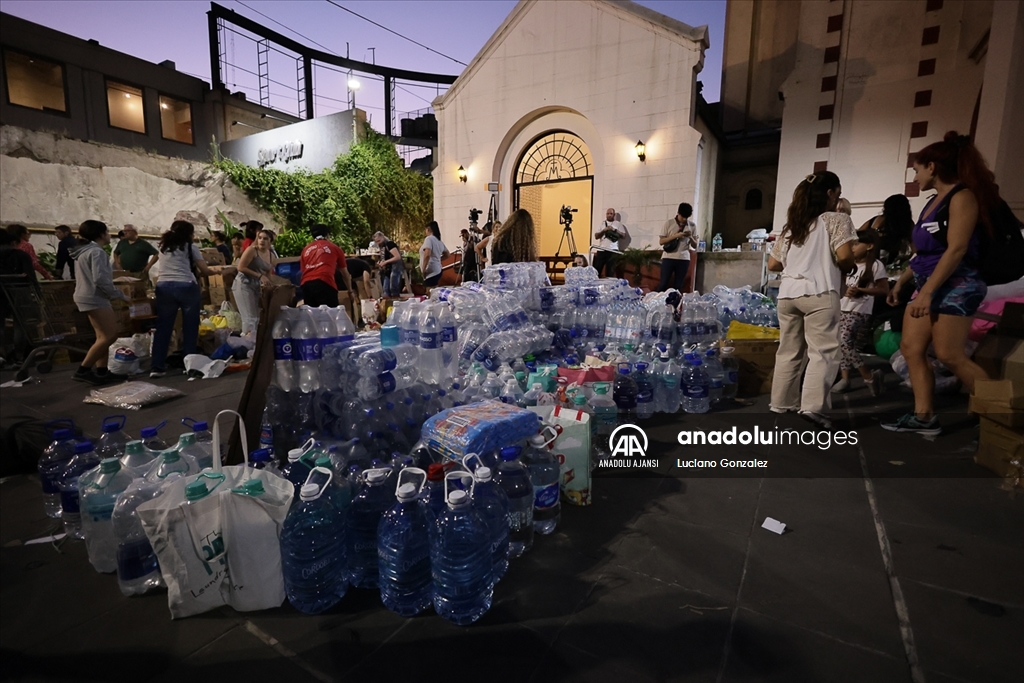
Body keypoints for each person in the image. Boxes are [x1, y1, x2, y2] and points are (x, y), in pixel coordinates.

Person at [882, 132, 997, 436]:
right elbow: (923, 252)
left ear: (932, 167)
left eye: (918, 169)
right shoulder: (933, 202)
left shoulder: (963, 196)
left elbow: (956, 249)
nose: (916, 175)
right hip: (927, 285)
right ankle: (924, 417)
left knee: (949, 354)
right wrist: (902, 283)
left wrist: (927, 292)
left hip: (957, 286)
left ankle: (1004, 417)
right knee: (911, 347)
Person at [767, 171, 856, 427]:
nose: (838, 200)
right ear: (829, 193)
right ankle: (813, 407)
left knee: (789, 351)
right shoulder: (836, 220)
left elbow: (773, 264)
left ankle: (781, 403)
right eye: (837, 194)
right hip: (819, 291)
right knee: (823, 352)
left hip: (787, 296)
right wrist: (846, 266)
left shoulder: (793, 225)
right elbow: (845, 257)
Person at [150, 220, 219, 378]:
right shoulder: (190, 247)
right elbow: (205, 270)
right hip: (186, 287)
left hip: (164, 288)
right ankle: (190, 366)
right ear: (189, 234)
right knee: (190, 327)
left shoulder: (163, 247)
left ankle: (157, 367)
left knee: (163, 328)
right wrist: (219, 272)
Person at [70, 220, 130, 384]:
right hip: (94, 297)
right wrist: (119, 294)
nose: (109, 235)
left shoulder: (83, 251)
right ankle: (83, 370)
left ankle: (102, 372)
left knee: (102, 336)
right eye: (107, 231)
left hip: (86, 295)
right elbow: (101, 279)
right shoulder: (97, 252)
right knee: (110, 335)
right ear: (101, 234)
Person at [833, 228, 889, 396]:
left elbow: (883, 289)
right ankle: (845, 378)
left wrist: (861, 290)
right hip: (842, 307)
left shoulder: (876, 266)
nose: (853, 247)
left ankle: (868, 376)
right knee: (844, 343)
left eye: (857, 244)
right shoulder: (847, 265)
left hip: (859, 310)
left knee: (844, 341)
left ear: (870, 246)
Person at [0, 230, 41, 364]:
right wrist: (37, 294)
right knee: (21, 325)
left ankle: (4, 355)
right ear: (13, 242)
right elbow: (31, 276)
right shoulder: (21, 256)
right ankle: (19, 355)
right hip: (19, 292)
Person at [232, 229, 276, 335]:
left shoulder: (272, 256)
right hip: (244, 283)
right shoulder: (252, 250)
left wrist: (270, 285)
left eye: (265, 239)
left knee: (258, 317)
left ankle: (255, 344)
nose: (262, 241)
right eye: (260, 238)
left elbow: (268, 274)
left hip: (257, 286)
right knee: (249, 317)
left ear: (270, 241)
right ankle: (246, 343)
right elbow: (241, 267)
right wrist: (259, 276)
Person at [300, 223, 352, 307]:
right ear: (327, 235)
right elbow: (345, 274)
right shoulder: (335, 248)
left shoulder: (305, 250)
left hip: (306, 284)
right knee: (330, 315)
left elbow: (303, 271)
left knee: (312, 317)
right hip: (325, 282)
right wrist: (350, 291)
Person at [859, 194, 914, 267]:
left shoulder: (876, 220)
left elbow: (858, 236)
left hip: (873, 263)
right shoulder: (907, 224)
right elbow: (915, 247)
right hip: (895, 266)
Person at [657, 204, 695, 292]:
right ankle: (656, 302)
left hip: (684, 258)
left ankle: (674, 304)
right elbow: (661, 241)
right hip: (668, 257)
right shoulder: (669, 223)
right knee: (663, 284)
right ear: (678, 213)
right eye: (683, 217)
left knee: (678, 286)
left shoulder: (692, 225)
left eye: (687, 217)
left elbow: (695, 245)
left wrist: (690, 237)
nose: (685, 219)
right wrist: (676, 236)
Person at [593, 207, 629, 277]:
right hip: (602, 249)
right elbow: (596, 236)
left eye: (611, 214)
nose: (609, 215)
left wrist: (615, 230)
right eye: (608, 214)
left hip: (613, 250)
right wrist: (604, 230)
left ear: (614, 215)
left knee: (610, 272)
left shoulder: (618, 224)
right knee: (597, 270)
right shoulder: (602, 224)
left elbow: (624, 236)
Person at [373, 231, 404, 297]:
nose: (378, 243)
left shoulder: (389, 244)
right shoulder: (382, 246)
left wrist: (385, 262)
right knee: (386, 289)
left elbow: (397, 257)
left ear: (383, 237)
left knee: (393, 288)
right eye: (376, 242)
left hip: (395, 267)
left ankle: (395, 302)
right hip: (388, 269)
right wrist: (381, 262)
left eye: (379, 241)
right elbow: (384, 257)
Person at [420, 221, 450, 287]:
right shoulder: (439, 241)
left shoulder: (429, 239)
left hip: (430, 271)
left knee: (429, 291)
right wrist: (438, 258)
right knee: (434, 291)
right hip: (438, 270)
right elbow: (447, 254)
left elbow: (427, 254)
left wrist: (423, 269)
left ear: (428, 229)